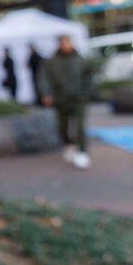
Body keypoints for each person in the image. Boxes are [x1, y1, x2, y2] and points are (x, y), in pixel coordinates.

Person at [38, 34, 93, 169]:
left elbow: (88, 77)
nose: (66, 45)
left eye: (67, 42)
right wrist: (46, 94)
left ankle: (82, 152)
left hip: (79, 99)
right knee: (63, 126)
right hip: (60, 99)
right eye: (63, 42)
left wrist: (86, 93)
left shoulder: (80, 60)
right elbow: (43, 78)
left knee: (80, 126)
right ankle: (69, 143)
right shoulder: (52, 61)